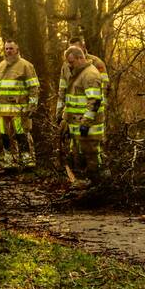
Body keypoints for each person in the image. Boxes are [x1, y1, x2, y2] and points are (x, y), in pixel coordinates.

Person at [0, 39, 40, 170]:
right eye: (6, 48)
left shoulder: (26, 66)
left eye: (11, 48)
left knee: (22, 134)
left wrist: (32, 107)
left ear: (17, 49)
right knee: (5, 136)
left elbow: (34, 88)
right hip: (3, 109)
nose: (8, 51)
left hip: (19, 109)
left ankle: (28, 162)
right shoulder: (0, 66)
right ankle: (10, 162)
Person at [58, 46, 105, 185]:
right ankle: (84, 184)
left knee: (92, 156)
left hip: (89, 127)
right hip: (76, 125)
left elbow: (94, 102)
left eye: (71, 62)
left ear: (80, 58)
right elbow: (71, 101)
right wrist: (65, 119)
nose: (69, 65)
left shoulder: (90, 75)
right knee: (78, 156)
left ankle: (98, 185)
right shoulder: (77, 74)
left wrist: (85, 124)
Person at [56, 36, 108, 121]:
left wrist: (100, 110)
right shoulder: (66, 66)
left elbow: (104, 87)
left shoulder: (96, 63)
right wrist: (59, 112)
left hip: (93, 111)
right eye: (70, 48)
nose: (73, 51)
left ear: (83, 47)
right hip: (72, 114)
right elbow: (62, 90)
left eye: (76, 48)